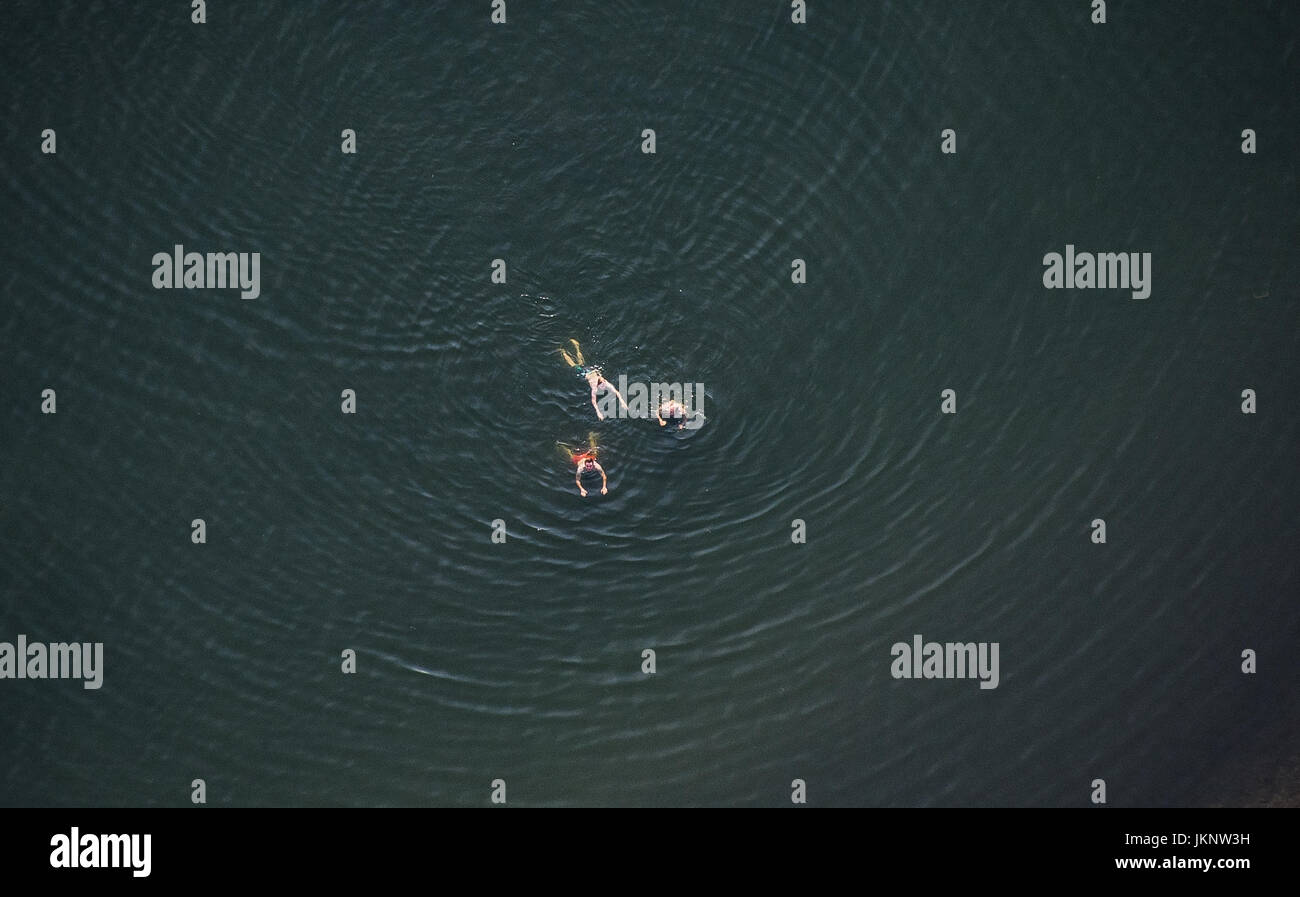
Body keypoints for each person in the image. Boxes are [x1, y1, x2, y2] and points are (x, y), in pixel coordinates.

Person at [559, 339, 627, 420]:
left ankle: (576, 346)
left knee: (581, 361)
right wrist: (598, 412)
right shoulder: (594, 386)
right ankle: (562, 352)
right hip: (584, 372)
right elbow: (593, 401)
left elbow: (617, 392)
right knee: (573, 364)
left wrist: (622, 402)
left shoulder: (605, 382)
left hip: (591, 370)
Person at [560, 433, 608, 497]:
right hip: (578, 459)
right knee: (570, 455)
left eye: (590, 466)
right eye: (587, 466)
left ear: (593, 463)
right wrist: (581, 489)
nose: (589, 468)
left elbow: (604, 476)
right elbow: (577, 480)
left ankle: (591, 436)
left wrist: (604, 487)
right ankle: (561, 446)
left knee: (594, 450)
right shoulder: (580, 468)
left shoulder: (597, 466)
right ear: (585, 464)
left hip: (589, 456)